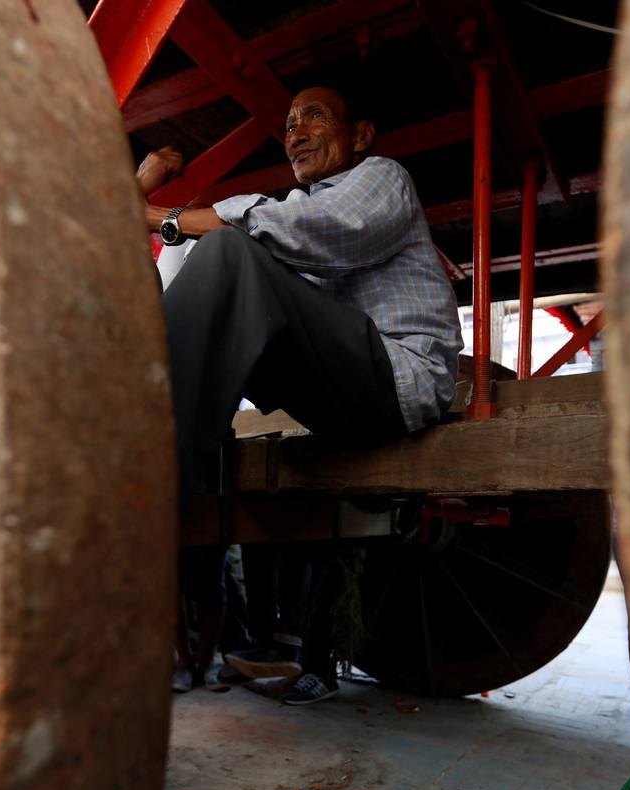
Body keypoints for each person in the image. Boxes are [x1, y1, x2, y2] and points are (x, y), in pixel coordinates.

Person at [139, 85, 462, 703]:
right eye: (288, 124)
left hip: (398, 376)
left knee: (232, 249)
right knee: (230, 268)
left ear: (361, 135)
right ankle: (170, 438)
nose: (296, 133)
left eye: (313, 116)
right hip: (340, 390)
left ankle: (158, 468)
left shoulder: (381, 180)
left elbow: (322, 228)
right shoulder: (290, 224)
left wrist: (166, 217)